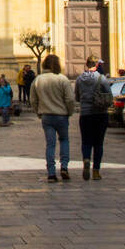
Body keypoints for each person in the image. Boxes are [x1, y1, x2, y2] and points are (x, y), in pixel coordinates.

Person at [30, 54, 75, 182]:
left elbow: (33, 99)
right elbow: (70, 99)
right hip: (62, 116)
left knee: (50, 144)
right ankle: (64, 167)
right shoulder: (62, 79)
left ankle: (51, 173)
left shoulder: (38, 80)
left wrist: (38, 112)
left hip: (46, 116)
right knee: (64, 141)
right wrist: (69, 112)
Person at [74, 53, 111, 181]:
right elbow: (109, 95)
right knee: (98, 143)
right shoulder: (102, 78)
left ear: (86, 64)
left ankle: (86, 160)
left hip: (85, 114)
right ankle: (96, 171)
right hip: (100, 113)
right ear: (96, 65)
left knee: (86, 141)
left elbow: (77, 97)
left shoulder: (79, 79)